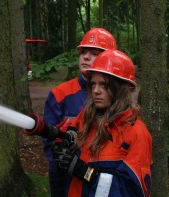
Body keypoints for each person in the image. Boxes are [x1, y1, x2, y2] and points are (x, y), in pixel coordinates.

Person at [50, 49, 153, 197]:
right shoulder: (87, 119)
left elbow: (130, 191)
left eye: (104, 85)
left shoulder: (137, 134)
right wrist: (62, 143)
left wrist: (86, 173)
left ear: (121, 88)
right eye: (93, 84)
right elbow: (68, 133)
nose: (96, 91)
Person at [43, 28, 117, 196]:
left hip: (101, 178)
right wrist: (65, 163)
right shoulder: (60, 94)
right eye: (83, 52)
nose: (85, 57)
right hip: (64, 178)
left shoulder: (117, 99)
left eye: (94, 53)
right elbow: (49, 143)